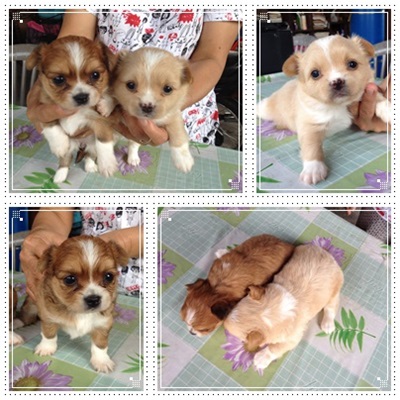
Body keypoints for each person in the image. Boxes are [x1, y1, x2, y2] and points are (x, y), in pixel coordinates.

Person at [26, 9, 241, 146]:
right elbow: (75, 36)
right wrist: (48, 86)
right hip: (103, 109)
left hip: (186, 119)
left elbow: (210, 57)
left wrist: (166, 108)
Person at [19, 207, 144, 301]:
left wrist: (102, 248)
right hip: (74, 297)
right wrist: (44, 231)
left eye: (108, 276)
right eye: (70, 280)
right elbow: (57, 211)